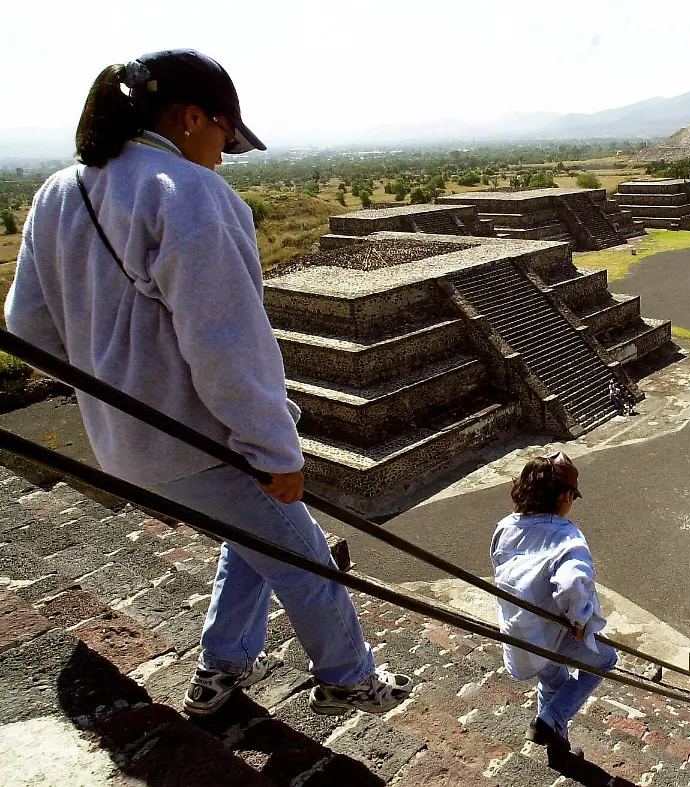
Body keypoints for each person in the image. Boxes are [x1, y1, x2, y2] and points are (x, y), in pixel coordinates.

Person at [4, 49, 410, 717]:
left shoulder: (58, 191)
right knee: (307, 560)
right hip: (200, 440)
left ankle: (221, 667)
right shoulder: (188, 194)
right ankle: (347, 677)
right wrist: (276, 451)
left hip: (120, 445)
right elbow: (227, 344)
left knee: (251, 540)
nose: (223, 157)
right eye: (224, 136)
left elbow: (28, 327)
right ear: (191, 118)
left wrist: (110, 380)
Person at [491, 453, 614, 759]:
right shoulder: (567, 537)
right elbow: (573, 584)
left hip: (517, 633)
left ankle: (557, 743)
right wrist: (579, 620)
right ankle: (550, 719)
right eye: (573, 495)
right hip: (550, 636)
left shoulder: (505, 526)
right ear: (564, 495)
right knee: (605, 660)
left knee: (553, 678)